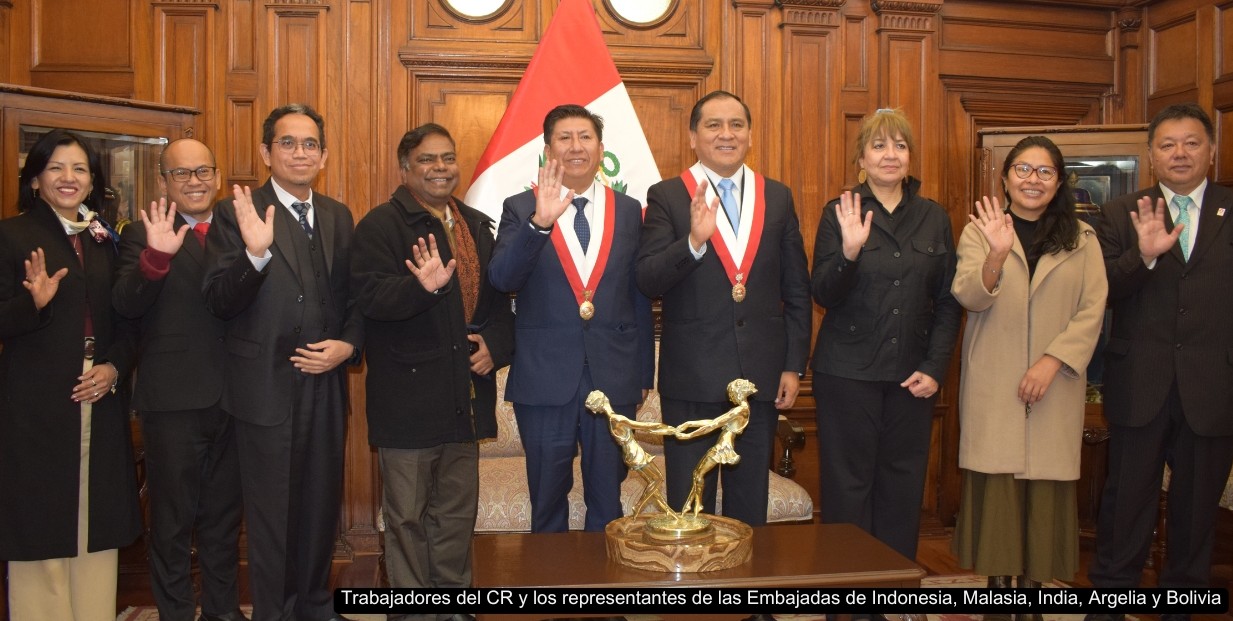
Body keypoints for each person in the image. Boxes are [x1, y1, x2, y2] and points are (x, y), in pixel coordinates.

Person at [203, 103, 363, 621]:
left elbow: (353, 299)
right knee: (272, 515)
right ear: (266, 152)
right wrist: (253, 256)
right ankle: (273, 612)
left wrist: (348, 347)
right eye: (288, 143)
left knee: (320, 507)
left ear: (324, 155)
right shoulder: (236, 213)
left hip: (326, 387)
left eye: (310, 144)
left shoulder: (339, 214)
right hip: (264, 389)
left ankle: (314, 604)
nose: (300, 152)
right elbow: (218, 302)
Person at [350, 123, 513, 616]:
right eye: (427, 160)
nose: (440, 168)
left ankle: (453, 605)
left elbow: (501, 306)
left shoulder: (475, 223)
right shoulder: (380, 226)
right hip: (407, 398)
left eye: (447, 158)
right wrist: (419, 287)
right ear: (405, 169)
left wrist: (495, 346)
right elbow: (368, 300)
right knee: (407, 517)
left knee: (455, 514)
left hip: (464, 397)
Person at [637, 90, 812, 527]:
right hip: (692, 377)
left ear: (750, 135)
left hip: (759, 380)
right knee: (689, 503)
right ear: (693, 136)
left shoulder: (778, 196)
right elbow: (647, 279)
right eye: (713, 125)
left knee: (748, 506)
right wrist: (694, 242)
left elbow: (796, 289)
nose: (726, 134)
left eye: (736, 124)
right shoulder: (668, 196)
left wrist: (792, 366)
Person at [1088, 103, 1233, 609]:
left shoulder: (1230, 209)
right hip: (1140, 382)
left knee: (1196, 513)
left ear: (1211, 151)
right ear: (1151, 154)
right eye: (1168, 144)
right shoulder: (1118, 212)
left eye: (1192, 142)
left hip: (1214, 387)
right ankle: (1110, 604)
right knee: (1126, 503)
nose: (1180, 153)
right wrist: (1144, 255)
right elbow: (1102, 290)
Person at [950, 136, 1107, 597]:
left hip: (1054, 384)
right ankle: (1000, 589)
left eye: (1044, 172)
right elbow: (967, 296)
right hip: (994, 385)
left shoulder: (1084, 238)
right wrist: (996, 255)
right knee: (997, 489)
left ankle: (1035, 593)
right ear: (1005, 176)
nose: (1032, 180)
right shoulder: (980, 231)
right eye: (1022, 169)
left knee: (1046, 489)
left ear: (1059, 182)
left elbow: (1092, 308)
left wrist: (1051, 361)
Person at [488, 103, 655, 533]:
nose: (576, 146)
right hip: (544, 379)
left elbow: (638, 297)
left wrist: (641, 374)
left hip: (613, 376)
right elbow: (502, 276)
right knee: (546, 497)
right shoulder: (520, 205)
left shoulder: (630, 208)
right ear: (548, 149)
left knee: (608, 497)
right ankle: (553, 592)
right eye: (565, 137)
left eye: (585, 137)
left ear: (601, 149)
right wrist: (539, 224)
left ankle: (604, 593)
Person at [0, 129, 140, 621]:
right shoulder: (11, 234)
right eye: (56, 167)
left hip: (99, 392)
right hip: (36, 400)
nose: (68, 177)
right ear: (35, 179)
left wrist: (114, 368)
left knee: (95, 521)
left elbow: (127, 322)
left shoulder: (103, 238)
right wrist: (30, 304)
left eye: (79, 168)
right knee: (41, 520)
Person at [810, 108, 961, 561]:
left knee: (901, 489)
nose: (890, 155)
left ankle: (892, 593)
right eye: (879, 145)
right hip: (846, 376)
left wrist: (935, 369)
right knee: (848, 491)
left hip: (911, 379)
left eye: (899, 145)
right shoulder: (838, 212)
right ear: (862, 157)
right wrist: (849, 253)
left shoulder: (934, 218)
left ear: (911, 158)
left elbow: (949, 302)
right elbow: (823, 292)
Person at [112, 139, 247, 621]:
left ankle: (222, 613)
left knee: (223, 521)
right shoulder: (141, 233)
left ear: (216, 175)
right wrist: (156, 258)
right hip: (173, 402)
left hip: (236, 398)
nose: (196, 181)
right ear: (164, 182)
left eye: (204, 171)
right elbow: (125, 306)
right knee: (171, 524)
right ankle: (173, 613)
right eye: (183, 174)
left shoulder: (236, 228)